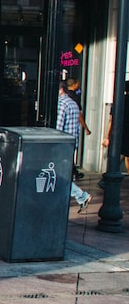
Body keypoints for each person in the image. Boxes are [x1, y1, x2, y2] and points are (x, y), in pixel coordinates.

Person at [57, 80, 91, 212]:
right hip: (71, 144)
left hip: (61, 145)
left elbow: (58, 128)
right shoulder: (73, 103)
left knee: (58, 176)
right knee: (63, 175)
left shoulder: (62, 104)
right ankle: (80, 197)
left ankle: (81, 196)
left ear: (61, 90)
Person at [101, 81, 129, 175]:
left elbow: (111, 120)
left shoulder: (119, 101)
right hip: (125, 131)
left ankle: (110, 173)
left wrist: (107, 136)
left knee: (120, 154)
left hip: (120, 131)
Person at [66, 79, 90, 179]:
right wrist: (86, 128)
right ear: (75, 84)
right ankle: (72, 172)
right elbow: (79, 114)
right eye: (78, 84)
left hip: (66, 128)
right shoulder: (74, 97)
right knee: (70, 152)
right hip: (71, 130)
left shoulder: (65, 95)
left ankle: (73, 171)